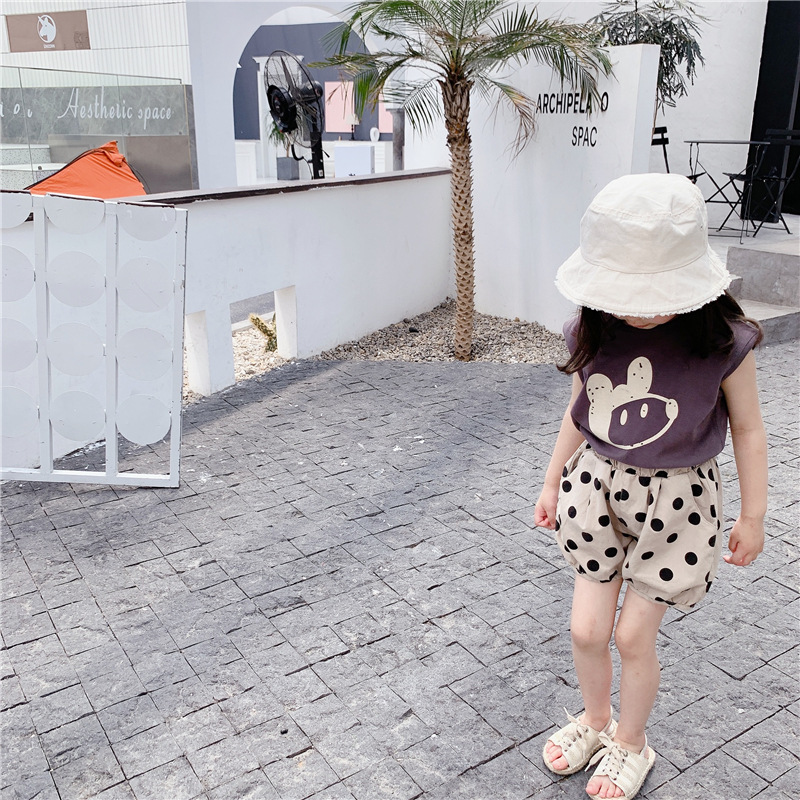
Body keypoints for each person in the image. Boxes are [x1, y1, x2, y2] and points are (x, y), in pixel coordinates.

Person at [534, 173, 767, 800]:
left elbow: (748, 429)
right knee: (587, 631)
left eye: (653, 292)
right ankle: (595, 720)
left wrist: (753, 516)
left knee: (633, 636)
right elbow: (579, 412)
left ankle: (632, 742)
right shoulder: (593, 329)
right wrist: (552, 481)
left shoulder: (723, 342)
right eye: (624, 292)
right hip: (597, 493)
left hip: (680, 505)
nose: (638, 309)